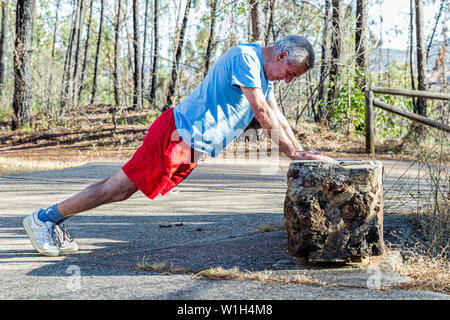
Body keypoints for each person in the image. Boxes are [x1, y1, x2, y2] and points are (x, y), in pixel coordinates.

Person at [23, 35, 335, 257]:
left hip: (189, 145)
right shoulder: (246, 58)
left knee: (122, 189)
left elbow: (277, 116)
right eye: (290, 74)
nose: (288, 80)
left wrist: (300, 150)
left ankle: (54, 220)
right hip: (175, 135)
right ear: (281, 56)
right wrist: (293, 153)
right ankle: (45, 219)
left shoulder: (264, 75)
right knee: (117, 188)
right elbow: (263, 113)